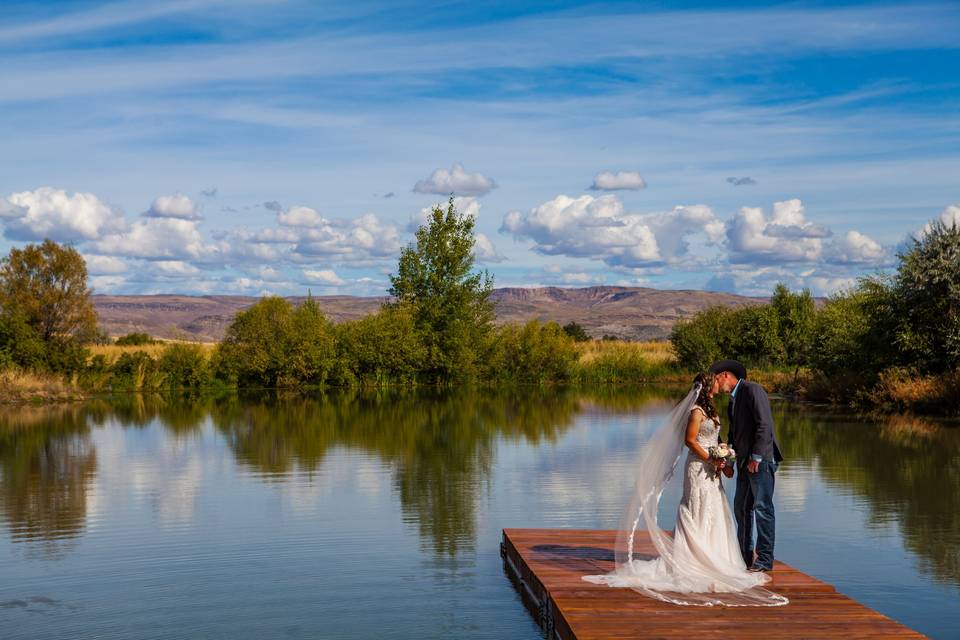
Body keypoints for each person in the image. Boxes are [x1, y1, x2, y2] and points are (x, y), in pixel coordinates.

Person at [583, 372, 787, 607]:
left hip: (720, 466)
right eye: (715, 382)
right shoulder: (697, 410)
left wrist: (724, 457)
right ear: (709, 386)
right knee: (705, 508)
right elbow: (690, 440)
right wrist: (715, 459)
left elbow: (755, 428)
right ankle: (697, 557)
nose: (719, 385)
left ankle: (732, 557)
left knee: (727, 509)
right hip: (700, 467)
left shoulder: (725, 403)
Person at [708, 359, 784, 572]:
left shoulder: (753, 390)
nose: (716, 384)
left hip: (761, 461)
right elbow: (734, 435)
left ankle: (764, 559)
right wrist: (729, 460)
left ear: (725, 375)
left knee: (762, 508)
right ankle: (744, 556)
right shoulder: (734, 399)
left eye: (716, 379)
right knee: (741, 508)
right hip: (743, 462)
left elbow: (764, 425)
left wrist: (756, 458)